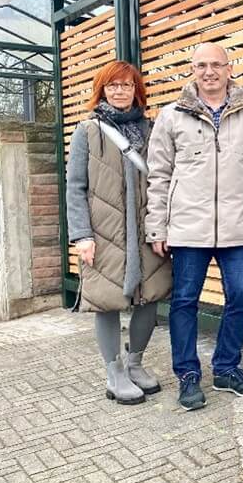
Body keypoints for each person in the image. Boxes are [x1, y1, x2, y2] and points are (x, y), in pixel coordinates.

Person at [146, 42, 243, 412]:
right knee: (184, 302)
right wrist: (158, 228)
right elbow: (158, 175)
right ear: (192, 70)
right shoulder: (171, 115)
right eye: (201, 65)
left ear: (230, 68)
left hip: (238, 227)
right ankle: (187, 375)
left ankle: (226, 368)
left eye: (216, 64)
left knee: (242, 296)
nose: (209, 72)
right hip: (187, 228)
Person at [66, 61, 172, 405]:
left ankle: (135, 363)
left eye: (127, 85)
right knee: (106, 300)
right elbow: (75, 187)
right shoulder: (88, 130)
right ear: (102, 89)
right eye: (113, 85)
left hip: (145, 228)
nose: (120, 91)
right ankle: (114, 373)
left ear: (136, 90)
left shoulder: (152, 128)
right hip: (104, 231)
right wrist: (82, 235)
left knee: (149, 295)